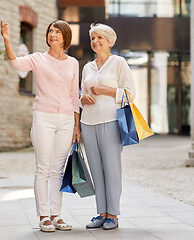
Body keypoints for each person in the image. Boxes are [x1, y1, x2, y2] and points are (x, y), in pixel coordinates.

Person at [0, 19, 80, 232]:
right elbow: (16, 62)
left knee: (58, 169)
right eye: (50, 31)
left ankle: (56, 215)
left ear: (65, 37)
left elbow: (74, 95)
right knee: (43, 168)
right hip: (43, 117)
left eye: (57, 31)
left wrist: (76, 125)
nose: (52, 34)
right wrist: (7, 40)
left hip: (66, 121)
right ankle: (43, 216)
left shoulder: (73, 63)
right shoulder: (37, 59)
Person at [79, 23, 136, 230]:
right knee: (96, 169)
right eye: (93, 38)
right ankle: (101, 213)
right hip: (88, 123)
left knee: (112, 169)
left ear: (110, 41)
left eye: (99, 38)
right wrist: (82, 98)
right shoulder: (87, 67)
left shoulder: (119, 63)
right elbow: (80, 94)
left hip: (111, 121)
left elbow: (130, 94)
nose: (95, 41)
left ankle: (113, 214)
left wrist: (106, 90)